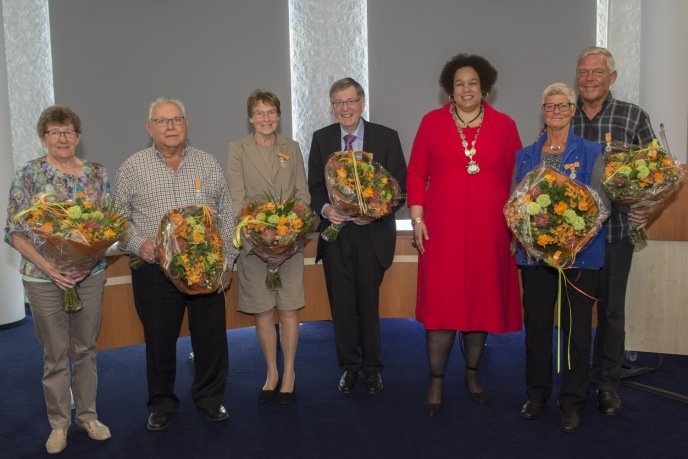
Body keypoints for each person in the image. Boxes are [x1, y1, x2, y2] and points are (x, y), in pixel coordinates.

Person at [407, 54, 522, 416]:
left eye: (472, 83)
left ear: (484, 86)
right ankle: (436, 379)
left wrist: (518, 226)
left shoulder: (504, 125)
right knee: (443, 305)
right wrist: (417, 219)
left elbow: (518, 179)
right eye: (459, 84)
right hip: (442, 231)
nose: (466, 89)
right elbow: (415, 174)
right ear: (449, 89)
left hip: (491, 231)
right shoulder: (431, 123)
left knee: (481, 302)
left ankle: (472, 373)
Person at [114, 98, 238, 431]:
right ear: (149, 127)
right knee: (159, 340)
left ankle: (210, 399)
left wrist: (228, 262)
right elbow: (118, 219)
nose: (170, 127)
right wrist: (141, 244)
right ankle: (161, 403)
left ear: (186, 124)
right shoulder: (132, 167)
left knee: (211, 339)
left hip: (207, 267)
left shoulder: (207, 164)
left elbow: (226, 214)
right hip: (155, 271)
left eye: (177, 120)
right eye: (162, 121)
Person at [5, 105, 112, 454]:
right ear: (43, 138)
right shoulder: (28, 175)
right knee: (55, 354)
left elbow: (109, 228)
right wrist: (51, 268)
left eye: (68, 132)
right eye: (54, 132)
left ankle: (88, 416)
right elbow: (15, 232)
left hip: (88, 275)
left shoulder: (96, 174)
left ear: (78, 137)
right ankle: (58, 424)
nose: (62, 138)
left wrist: (85, 263)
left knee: (85, 349)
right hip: (42, 278)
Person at [515, 83, 610, 433]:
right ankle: (537, 394)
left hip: (579, 257)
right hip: (535, 257)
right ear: (542, 110)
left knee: (576, 333)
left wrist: (571, 240)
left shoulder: (591, 151)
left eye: (562, 105)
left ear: (572, 109)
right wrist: (533, 237)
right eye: (549, 106)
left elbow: (601, 205)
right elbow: (517, 204)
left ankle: (572, 401)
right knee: (537, 329)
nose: (555, 111)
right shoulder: (526, 156)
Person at [308, 77, 407, 394]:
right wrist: (326, 210)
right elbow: (314, 187)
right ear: (332, 107)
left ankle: (373, 368)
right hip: (337, 235)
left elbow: (399, 190)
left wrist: (374, 212)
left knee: (368, 303)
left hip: (371, 234)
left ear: (362, 103)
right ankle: (349, 367)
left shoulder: (386, 137)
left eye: (351, 101)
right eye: (339, 102)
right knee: (342, 306)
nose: (345, 108)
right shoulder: (322, 139)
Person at [572, 46, 656, 416]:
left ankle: (607, 383)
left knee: (612, 314)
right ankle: (573, 381)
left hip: (617, 234)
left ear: (612, 77)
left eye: (598, 72)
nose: (590, 79)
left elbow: (657, 171)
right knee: (573, 314)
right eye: (584, 72)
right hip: (573, 239)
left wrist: (649, 209)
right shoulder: (561, 114)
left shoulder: (632, 116)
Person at [227, 90, 310, 405]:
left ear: (279, 115)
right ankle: (271, 372)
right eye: (259, 113)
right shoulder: (238, 149)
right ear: (250, 117)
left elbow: (302, 195)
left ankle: (289, 372)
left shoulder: (292, 148)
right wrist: (261, 234)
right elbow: (237, 197)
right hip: (254, 245)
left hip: (289, 245)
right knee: (263, 311)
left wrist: (289, 233)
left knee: (288, 310)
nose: (266, 118)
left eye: (271, 112)